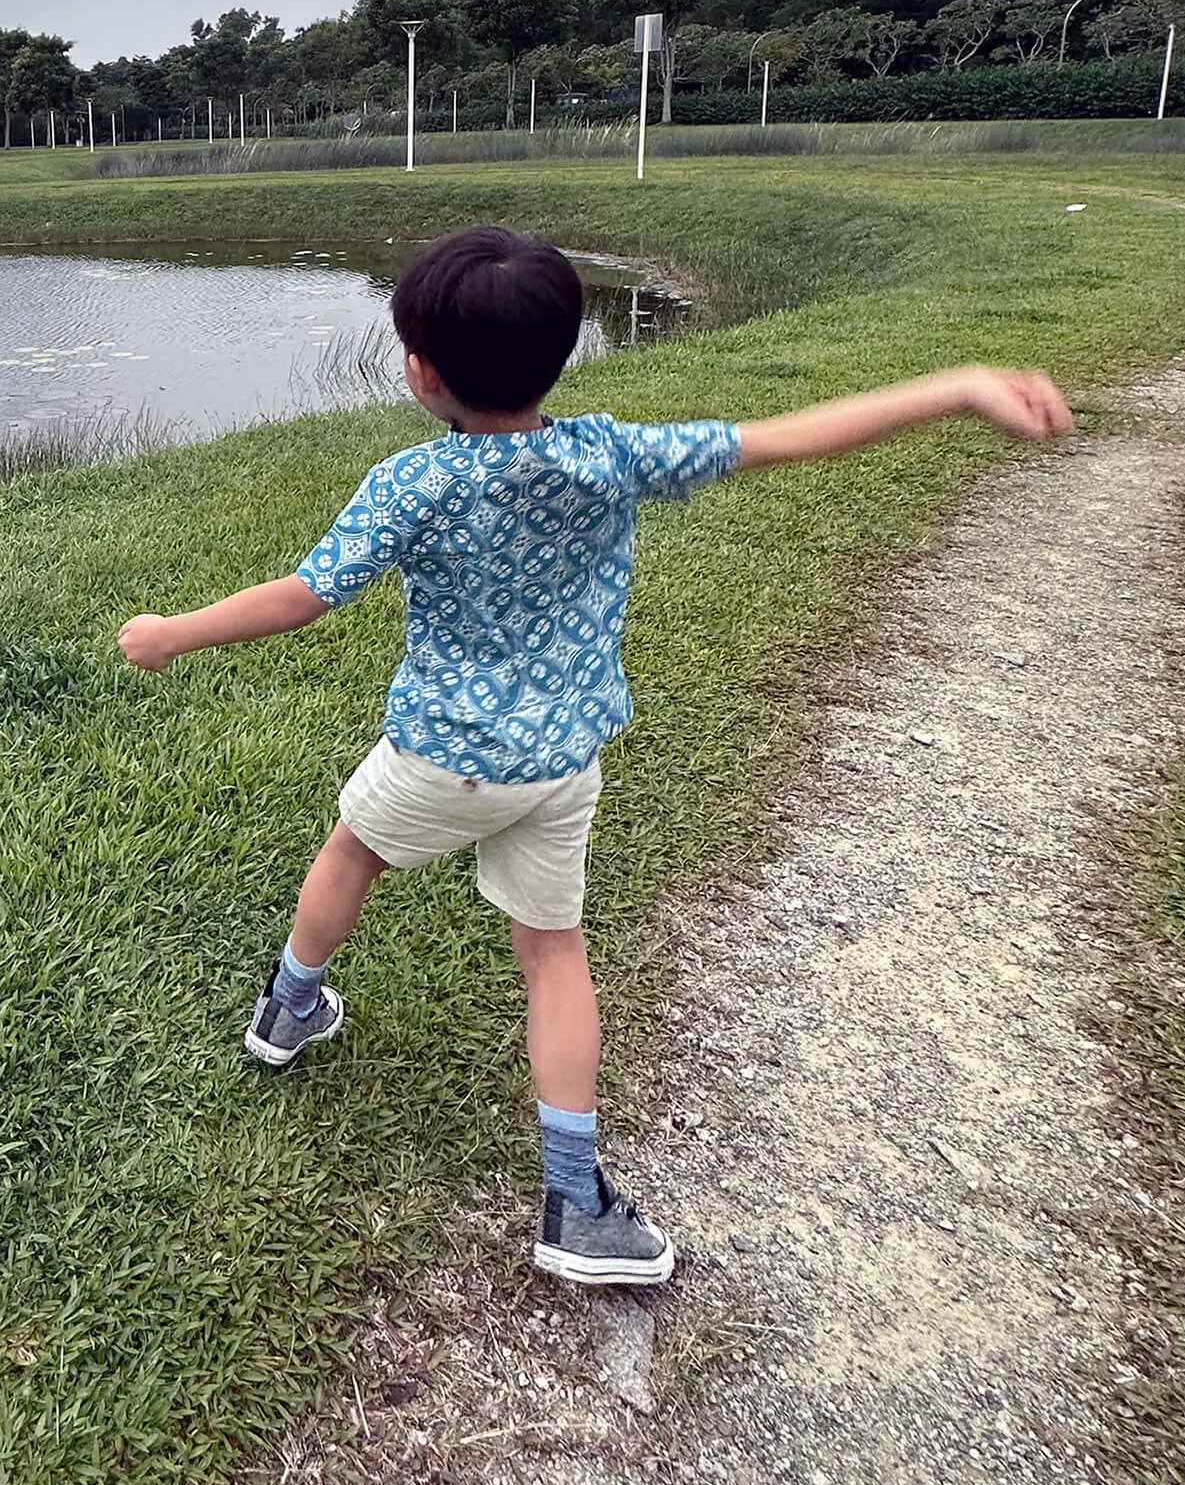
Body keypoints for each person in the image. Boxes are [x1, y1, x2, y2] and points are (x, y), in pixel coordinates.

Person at [118, 224, 1072, 1287]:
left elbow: (301, 598)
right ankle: (575, 1202)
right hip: (560, 761)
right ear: (562, 354)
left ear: (420, 372)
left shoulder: (409, 481)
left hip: (442, 756)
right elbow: (788, 436)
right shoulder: (609, 451)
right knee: (553, 953)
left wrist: (172, 628)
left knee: (350, 852)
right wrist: (957, 384)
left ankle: (289, 1006)